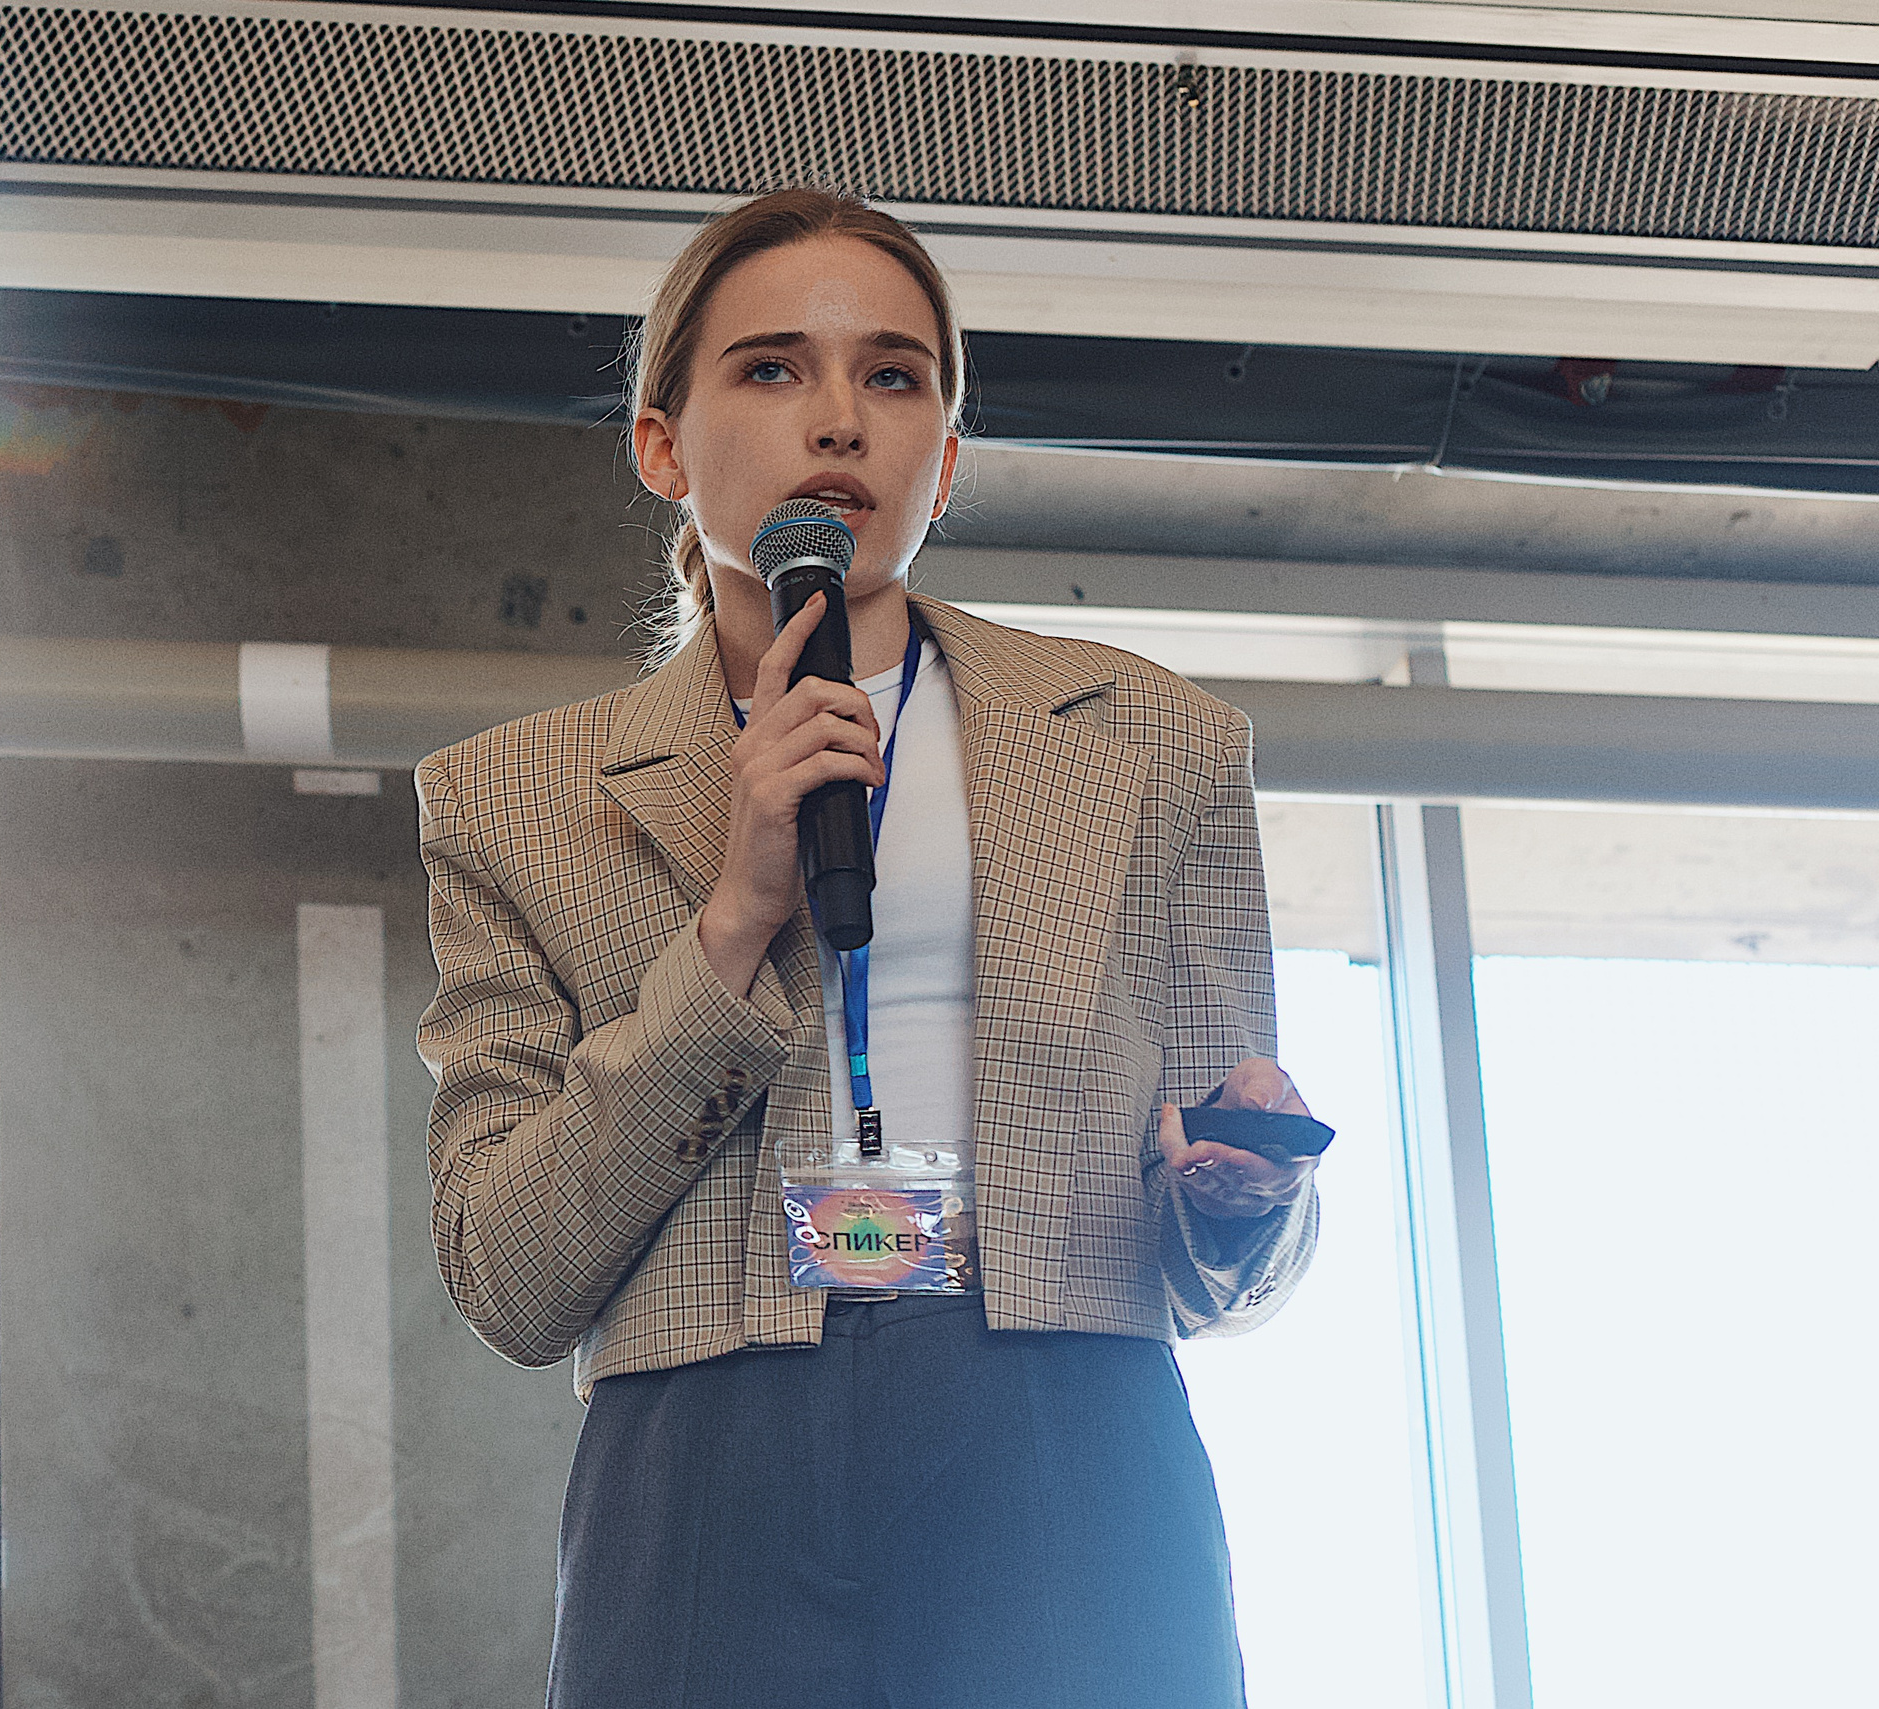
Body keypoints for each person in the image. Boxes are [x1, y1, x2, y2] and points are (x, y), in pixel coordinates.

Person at [415, 186, 1321, 1709]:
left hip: (1066, 1420)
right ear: (660, 443)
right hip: (703, 1450)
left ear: (946, 458)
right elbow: (507, 1275)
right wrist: (731, 925)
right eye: (771, 369)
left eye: (894, 377)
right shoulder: (509, 799)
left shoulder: (1154, 745)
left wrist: (1240, 1206)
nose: (839, 419)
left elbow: (1230, 1243)